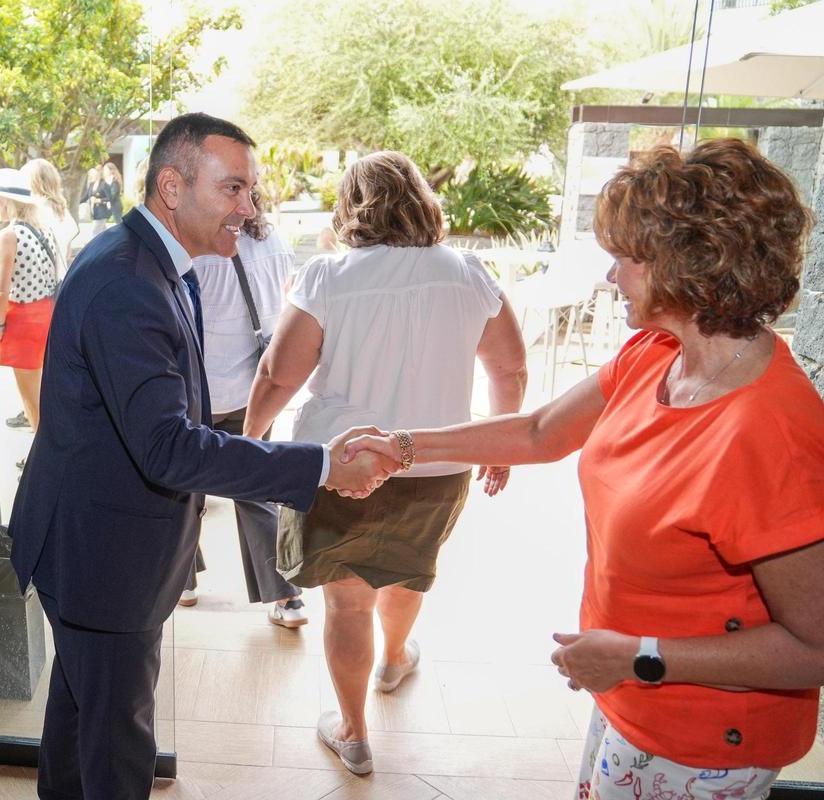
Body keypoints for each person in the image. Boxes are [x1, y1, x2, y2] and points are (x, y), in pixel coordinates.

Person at [345, 139, 824, 799]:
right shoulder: (657, 353)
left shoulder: (769, 432)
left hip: (699, 737)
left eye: (627, 258)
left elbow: (813, 646)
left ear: (692, 264)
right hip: (630, 694)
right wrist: (401, 445)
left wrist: (641, 657)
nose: (611, 276)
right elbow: (541, 431)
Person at [7, 112, 398, 800]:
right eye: (233, 189)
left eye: (250, 190)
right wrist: (320, 465)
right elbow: (167, 446)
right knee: (116, 750)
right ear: (171, 187)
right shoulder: (129, 283)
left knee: (79, 724)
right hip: (102, 558)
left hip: (93, 547)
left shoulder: (147, 263)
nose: (249, 208)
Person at [244, 150, 527, 775]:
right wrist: (500, 444)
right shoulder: (469, 273)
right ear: (422, 199)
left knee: (349, 604)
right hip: (437, 466)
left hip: (341, 465)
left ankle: (353, 733)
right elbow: (509, 368)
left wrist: (251, 442)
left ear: (352, 206)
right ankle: (395, 659)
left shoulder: (328, 275)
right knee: (407, 573)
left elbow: (279, 374)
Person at [178, 190, 308, 626]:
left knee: (183, 486)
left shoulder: (199, 252)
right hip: (255, 388)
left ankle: (183, 582)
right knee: (255, 488)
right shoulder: (277, 244)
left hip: (199, 389)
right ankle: (287, 598)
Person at [0, 168, 61, 442]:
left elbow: (0, 291)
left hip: (23, 321)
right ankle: (46, 452)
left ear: (6, 201)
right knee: (46, 394)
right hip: (48, 313)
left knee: (31, 400)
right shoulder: (44, 229)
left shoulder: (9, 235)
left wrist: (0, 325)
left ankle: (42, 458)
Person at [22, 157, 79, 276]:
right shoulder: (62, 211)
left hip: (38, 280)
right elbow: (68, 254)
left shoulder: (34, 211)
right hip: (60, 278)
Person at [80, 165, 110, 235]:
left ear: (99, 173)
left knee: (95, 232)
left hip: (101, 212)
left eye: (94, 173)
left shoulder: (104, 184)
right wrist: (77, 203)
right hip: (94, 212)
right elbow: (86, 197)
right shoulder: (91, 184)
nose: (92, 175)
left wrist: (99, 200)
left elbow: (109, 198)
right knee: (103, 232)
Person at [101, 160, 124, 224]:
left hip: (116, 206)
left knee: (118, 224)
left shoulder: (114, 182)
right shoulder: (107, 181)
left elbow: (112, 196)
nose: (104, 171)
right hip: (112, 206)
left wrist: (101, 200)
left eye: (106, 170)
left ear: (111, 171)